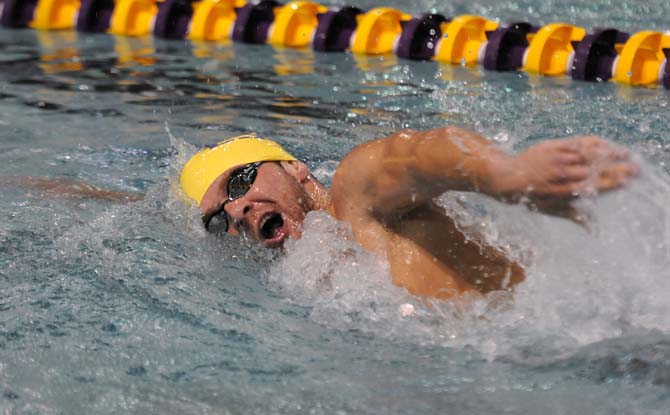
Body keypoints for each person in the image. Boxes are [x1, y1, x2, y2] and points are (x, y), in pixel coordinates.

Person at [180, 126, 639, 299]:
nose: (237, 209)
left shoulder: (354, 197)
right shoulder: (308, 273)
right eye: (218, 219)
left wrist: (508, 175)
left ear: (295, 168)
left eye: (239, 181)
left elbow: (416, 156)